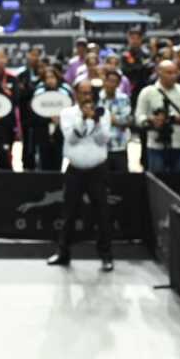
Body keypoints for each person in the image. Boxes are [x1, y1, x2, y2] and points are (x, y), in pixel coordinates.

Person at [47, 80, 114, 272]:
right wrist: (83, 120)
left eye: (89, 93)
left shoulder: (103, 113)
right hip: (75, 170)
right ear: (75, 94)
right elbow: (72, 139)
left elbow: (103, 140)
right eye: (83, 93)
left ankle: (106, 256)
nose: (86, 97)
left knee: (102, 214)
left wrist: (96, 121)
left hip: (97, 170)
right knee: (68, 213)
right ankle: (63, 253)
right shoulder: (67, 114)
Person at [135, 60, 180, 173]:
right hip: (155, 143)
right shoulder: (147, 92)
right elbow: (139, 116)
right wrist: (151, 120)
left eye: (175, 73)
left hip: (179, 142)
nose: (173, 76)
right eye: (169, 73)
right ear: (159, 72)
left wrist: (176, 118)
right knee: (158, 179)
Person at [31, 67, 74, 171]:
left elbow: (71, 112)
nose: (50, 80)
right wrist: (47, 119)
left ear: (57, 78)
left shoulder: (65, 92)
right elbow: (34, 115)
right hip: (43, 134)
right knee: (44, 164)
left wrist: (60, 119)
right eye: (47, 78)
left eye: (52, 77)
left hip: (59, 134)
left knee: (57, 163)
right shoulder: (38, 93)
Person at [97, 70, 132, 172]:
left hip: (119, 145)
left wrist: (105, 118)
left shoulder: (124, 98)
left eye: (114, 81)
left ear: (118, 84)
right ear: (104, 81)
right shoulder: (96, 98)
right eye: (109, 81)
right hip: (100, 146)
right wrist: (113, 119)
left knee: (121, 178)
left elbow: (126, 120)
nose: (111, 84)